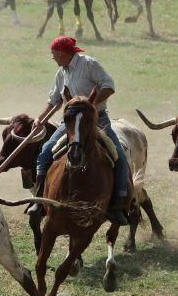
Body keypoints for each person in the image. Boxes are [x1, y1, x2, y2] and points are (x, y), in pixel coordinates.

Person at [28, 36, 130, 226]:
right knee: (45, 152)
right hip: (69, 123)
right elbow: (54, 101)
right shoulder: (61, 72)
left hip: (96, 120)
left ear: (62, 53)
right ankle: (40, 202)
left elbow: (109, 86)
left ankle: (118, 205)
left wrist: (89, 105)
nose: (53, 58)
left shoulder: (88, 64)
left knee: (119, 157)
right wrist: (40, 119)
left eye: (54, 54)